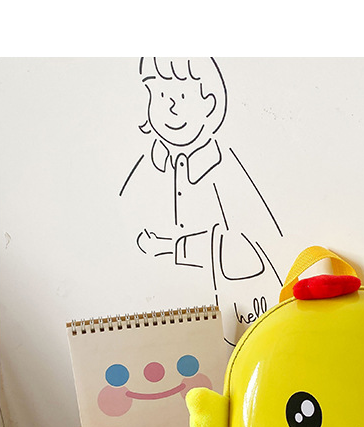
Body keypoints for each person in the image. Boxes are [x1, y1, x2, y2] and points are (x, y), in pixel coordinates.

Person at [121, 57, 285, 345]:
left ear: (209, 103)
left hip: (229, 317)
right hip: (161, 315)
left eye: (182, 96)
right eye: (161, 95)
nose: (171, 107)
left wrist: (174, 248)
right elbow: (122, 220)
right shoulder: (149, 166)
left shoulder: (223, 169)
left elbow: (252, 238)